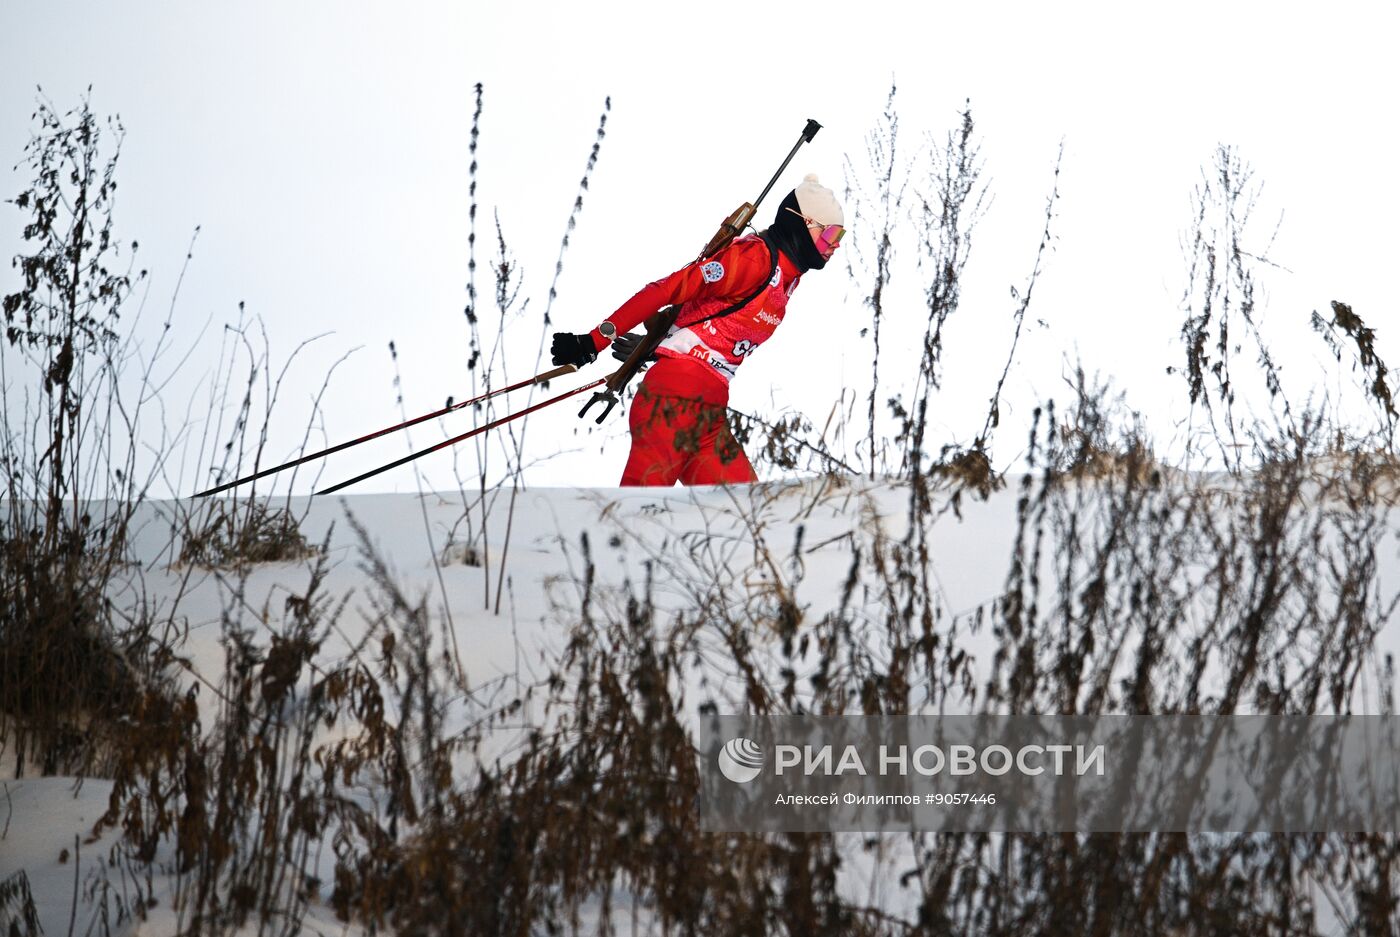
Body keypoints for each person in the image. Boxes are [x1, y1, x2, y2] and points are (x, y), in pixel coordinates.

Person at [550, 174, 845, 486]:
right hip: (674, 401)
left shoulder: (788, 278)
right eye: (830, 234)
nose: (835, 245)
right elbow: (665, 290)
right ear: (803, 223)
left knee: (749, 518)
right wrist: (594, 341)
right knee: (638, 516)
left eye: (840, 236)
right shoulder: (753, 261)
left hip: (708, 414)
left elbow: (713, 320)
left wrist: (660, 343)